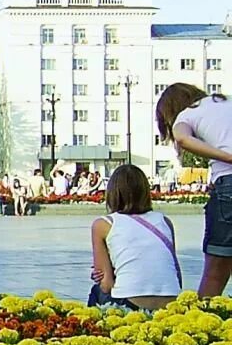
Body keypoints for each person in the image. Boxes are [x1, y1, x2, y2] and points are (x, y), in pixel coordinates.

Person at [157, 82, 232, 297]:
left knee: (215, 267)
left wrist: (227, 157)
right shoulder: (224, 101)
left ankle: (201, 320)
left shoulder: (186, 115)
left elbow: (182, 138)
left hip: (228, 184)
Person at [86, 164, 181, 310]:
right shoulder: (164, 221)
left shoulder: (103, 224)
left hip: (131, 304)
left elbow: (106, 285)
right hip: (170, 303)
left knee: (97, 292)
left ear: (113, 193)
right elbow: (175, 271)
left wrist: (108, 272)